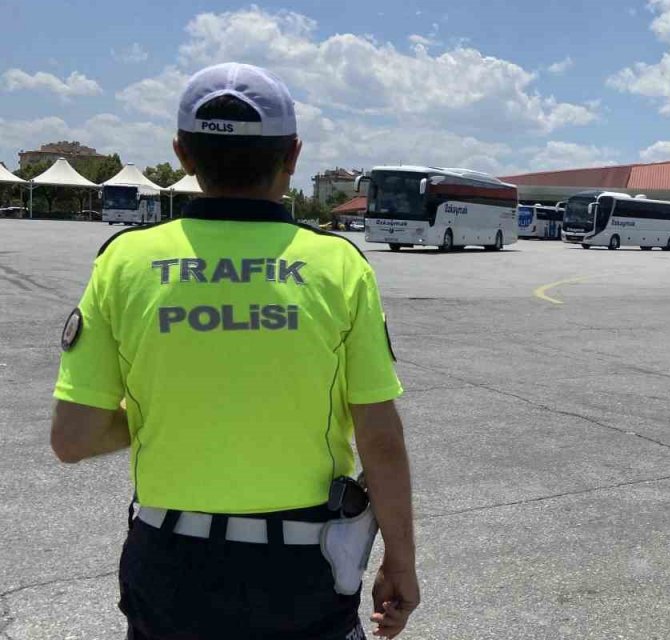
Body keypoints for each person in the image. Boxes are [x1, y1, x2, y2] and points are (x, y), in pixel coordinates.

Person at [50, 63, 418, 640]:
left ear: (183, 154)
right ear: (292, 155)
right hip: (300, 569)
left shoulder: (123, 261)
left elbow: (72, 438)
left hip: (170, 563)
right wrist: (402, 559)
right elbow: (379, 436)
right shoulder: (338, 265)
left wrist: (168, 410)